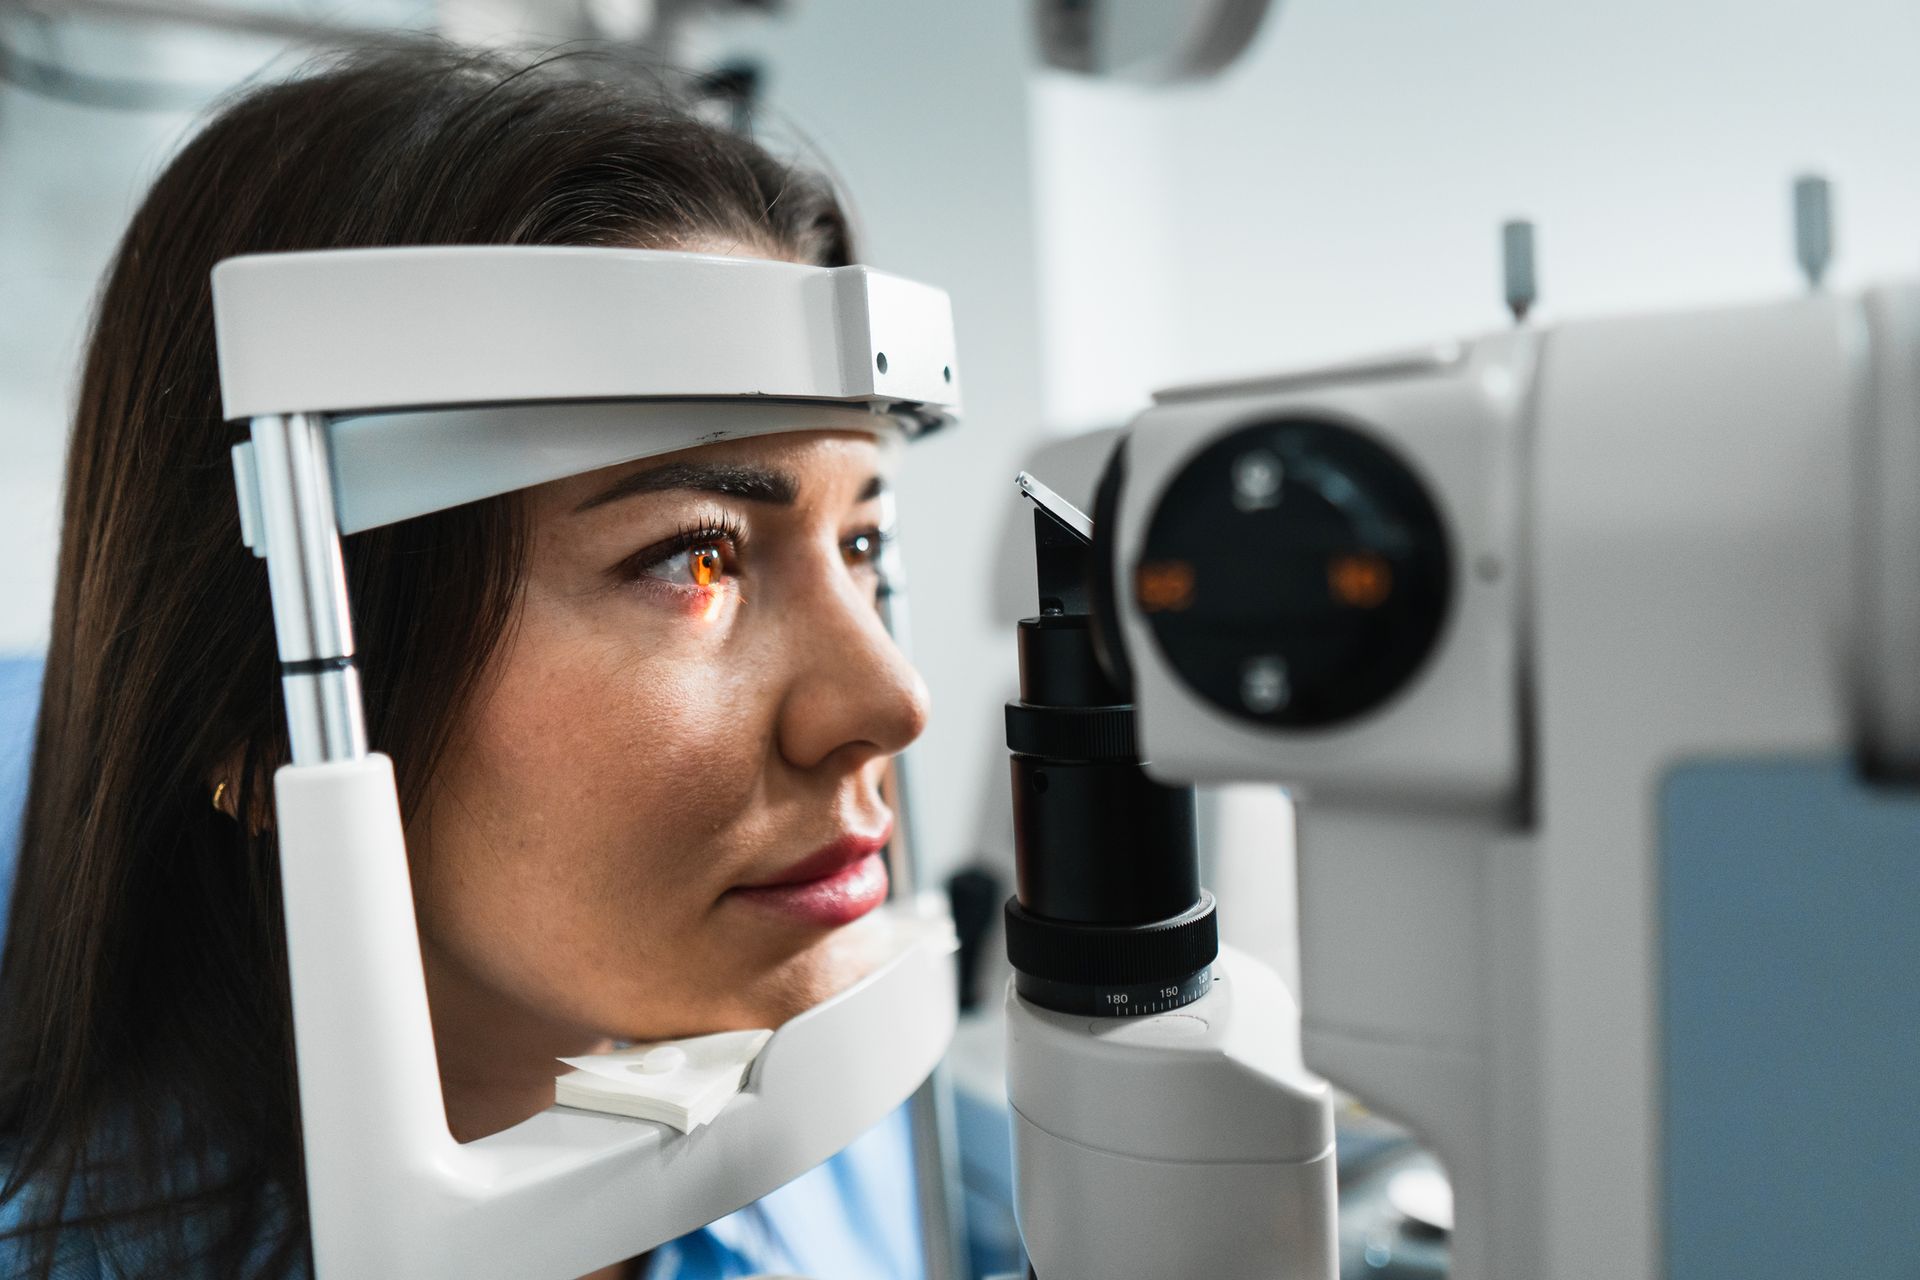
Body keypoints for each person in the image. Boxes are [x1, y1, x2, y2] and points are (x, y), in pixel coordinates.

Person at [0, 44, 937, 1280]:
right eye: (695, 558)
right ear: (259, 710)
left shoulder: (816, 1102)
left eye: (861, 538)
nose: (889, 702)